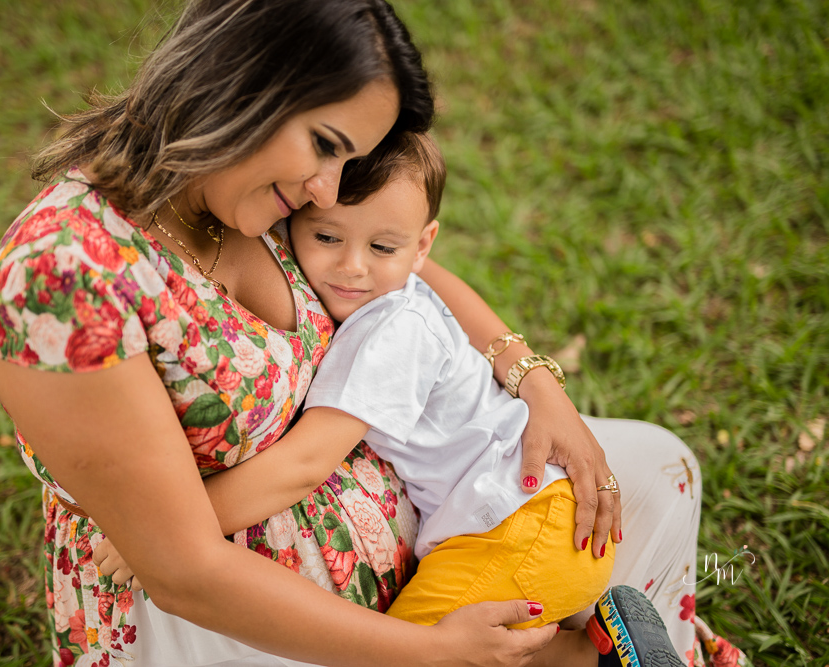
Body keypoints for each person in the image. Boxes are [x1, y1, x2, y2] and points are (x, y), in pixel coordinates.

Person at [0, 1, 580, 665]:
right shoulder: (63, 281)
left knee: (656, 475)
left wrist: (531, 375)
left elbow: (406, 269)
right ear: (240, 81)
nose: (328, 193)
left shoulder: (244, 189)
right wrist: (430, 651)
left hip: (435, 538)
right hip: (237, 634)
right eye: (324, 145)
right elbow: (185, 573)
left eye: (348, 161)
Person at [93, 132, 690, 667]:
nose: (351, 267)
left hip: (512, 528)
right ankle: (593, 651)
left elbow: (304, 464)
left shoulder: (389, 334)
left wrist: (162, 532)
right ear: (292, 222)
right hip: (525, 524)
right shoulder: (398, 299)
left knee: (409, 659)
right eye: (328, 236)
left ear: (423, 245)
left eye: (382, 248)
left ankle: (587, 659)